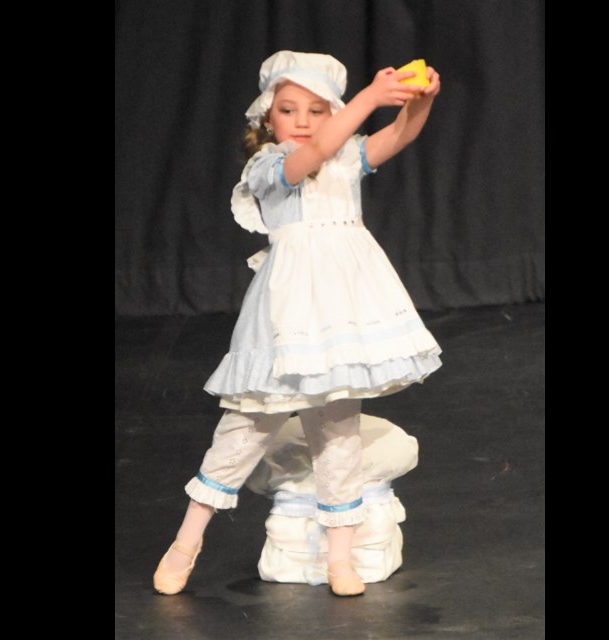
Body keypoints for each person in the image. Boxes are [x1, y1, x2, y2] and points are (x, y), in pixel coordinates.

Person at [154, 50, 443, 598]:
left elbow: (397, 138)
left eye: (317, 108)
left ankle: (339, 558)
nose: (304, 120)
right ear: (267, 117)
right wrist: (367, 99)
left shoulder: (346, 156)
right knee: (243, 430)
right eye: (289, 109)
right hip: (288, 313)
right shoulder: (268, 165)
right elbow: (312, 153)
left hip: (341, 309)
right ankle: (186, 542)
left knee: (338, 433)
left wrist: (419, 102)